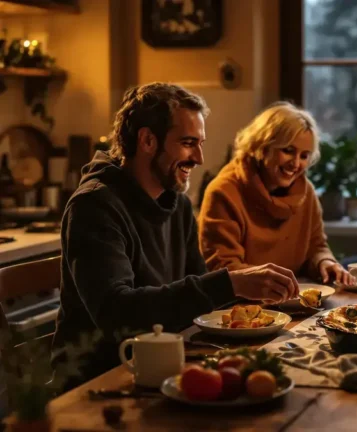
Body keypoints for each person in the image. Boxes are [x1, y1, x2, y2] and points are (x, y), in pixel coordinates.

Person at [51, 83, 299, 389]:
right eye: (187, 143)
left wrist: (249, 289)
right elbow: (118, 314)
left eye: (200, 143)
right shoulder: (94, 206)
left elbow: (196, 295)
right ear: (147, 140)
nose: (199, 157)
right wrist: (228, 282)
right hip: (100, 381)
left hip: (163, 364)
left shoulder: (177, 205)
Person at [198, 102, 352, 285]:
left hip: (295, 303)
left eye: (304, 156)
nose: (296, 164)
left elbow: (316, 246)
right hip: (241, 308)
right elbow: (222, 269)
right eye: (288, 151)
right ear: (262, 146)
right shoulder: (223, 192)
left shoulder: (306, 192)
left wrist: (324, 262)